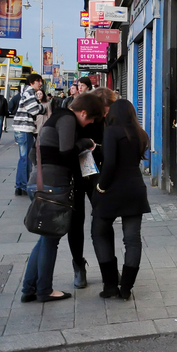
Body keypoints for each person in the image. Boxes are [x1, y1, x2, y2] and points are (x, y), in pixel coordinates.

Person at [20, 92, 104, 304]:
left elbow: (35, 153)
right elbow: (67, 151)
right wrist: (84, 142)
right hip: (53, 185)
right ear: (82, 112)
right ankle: (44, 290)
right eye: (91, 118)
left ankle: (29, 288)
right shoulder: (67, 118)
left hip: (38, 181)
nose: (91, 123)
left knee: (45, 238)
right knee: (51, 239)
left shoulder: (54, 118)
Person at [92, 99, 150, 300]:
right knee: (132, 240)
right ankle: (126, 288)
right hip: (135, 188)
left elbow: (110, 163)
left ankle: (110, 286)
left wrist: (101, 186)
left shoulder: (112, 131)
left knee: (98, 233)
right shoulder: (142, 134)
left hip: (113, 190)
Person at [67, 86, 117, 289]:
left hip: (97, 174)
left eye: (108, 111)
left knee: (103, 220)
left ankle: (109, 267)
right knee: (75, 222)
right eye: (103, 111)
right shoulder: (77, 120)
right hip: (76, 175)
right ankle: (78, 265)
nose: (104, 115)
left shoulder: (108, 121)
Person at [12, 75, 44, 197]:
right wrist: (41, 107)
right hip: (24, 128)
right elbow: (35, 110)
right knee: (25, 158)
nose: (40, 84)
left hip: (22, 128)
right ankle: (23, 185)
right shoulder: (29, 92)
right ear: (32, 82)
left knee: (24, 158)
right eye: (38, 81)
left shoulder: (27, 92)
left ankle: (20, 185)